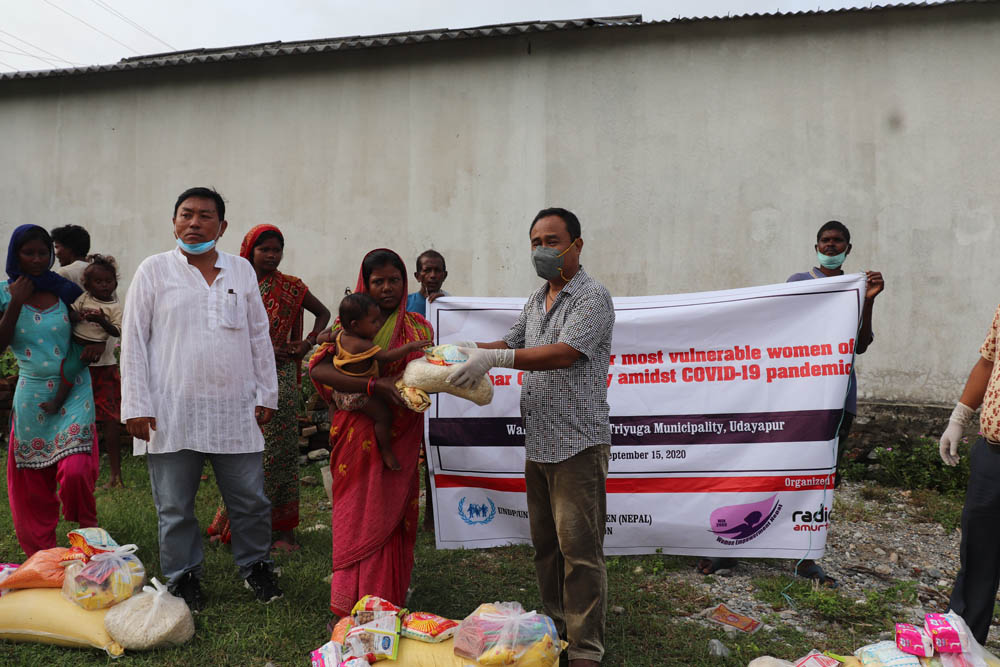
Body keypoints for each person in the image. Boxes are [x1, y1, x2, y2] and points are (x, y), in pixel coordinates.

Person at [446, 208, 614, 667]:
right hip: (539, 440)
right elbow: (513, 341)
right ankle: (556, 630)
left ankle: (585, 648)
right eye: (536, 241)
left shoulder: (591, 296)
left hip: (577, 444)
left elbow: (565, 353)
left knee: (580, 552)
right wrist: (470, 351)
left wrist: (496, 361)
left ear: (577, 244)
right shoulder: (539, 297)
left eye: (552, 240)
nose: (542, 249)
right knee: (546, 547)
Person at [695, 220, 885, 586]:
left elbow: (860, 345)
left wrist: (869, 300)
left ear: (848, 248)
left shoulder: (857, 289)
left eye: (838, 241)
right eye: (825, 241)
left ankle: (804, 556)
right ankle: (732, 546)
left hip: (835, 401)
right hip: (794, 397)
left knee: (818, 479)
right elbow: (781, 330)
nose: (831, 246)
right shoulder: (799, 283)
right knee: (765, 469)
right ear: (816, 247)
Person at [120, 187, 282, 610]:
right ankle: (183, 577)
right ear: (173, 222)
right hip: (171, 410)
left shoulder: (241, 271)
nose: (194, 223)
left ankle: (257, 567)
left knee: (250, 500)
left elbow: (258, 335)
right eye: (186, 214)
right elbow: (133, 339)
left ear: (222, 226)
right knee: (175, 507)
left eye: (205, 215)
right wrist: (136, 405)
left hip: (235, 408)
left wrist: (267, 392)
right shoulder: (154, 270)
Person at [309, 249, 433, 619]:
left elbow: (429, 372)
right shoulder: (347, 327)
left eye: (394, 280)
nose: (387, 288)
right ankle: (350, 600)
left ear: (405, 282)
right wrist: (373, 386)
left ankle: (387, 598)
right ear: (366, 283)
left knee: (392, 513)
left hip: (402, 431)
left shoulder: (418, 328)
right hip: (356, 429)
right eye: (378, 281)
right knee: (357, 511)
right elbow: (318, 370)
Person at [208, 224, 331, 553]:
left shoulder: (291, 287)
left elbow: (323, 313)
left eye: (277, 250)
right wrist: (259, 348)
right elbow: (220, 329)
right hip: (240, 376)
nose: (272, 255)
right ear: (249, 251)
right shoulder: (233, 284)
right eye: (265, 249)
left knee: (279, 455)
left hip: (280, 379)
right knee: (240, 454)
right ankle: (232, 524)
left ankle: (284, 531)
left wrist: (306, 343)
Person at [0, 224, 99, 557]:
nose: (37, 259)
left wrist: (96, 342)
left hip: (74, 388)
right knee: (33, 481)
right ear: (15, 255)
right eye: (28, 253)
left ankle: (87, 541)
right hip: (32, 394)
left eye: (44, 253)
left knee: (76, 470)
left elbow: (90, 324)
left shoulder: (65, 290)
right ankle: (42, 555)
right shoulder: (4, 294)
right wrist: (16, 302)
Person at [939, 300, 1000, 645]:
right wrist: (959, 418)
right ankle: (963, 647)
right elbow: (988, 361)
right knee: (977, 555)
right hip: (993, 454)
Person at [330, 292, 431, 470]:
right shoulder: (363, 345)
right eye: (374, 322)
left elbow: (322, 338)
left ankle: (333, 436)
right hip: (358, 395)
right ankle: (386, 451)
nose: (378, 325)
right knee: (384, 416)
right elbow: (387, 356)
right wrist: (410, 347)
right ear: (355, 325)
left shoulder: (339, 336)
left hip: (338, 393)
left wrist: (321, 336)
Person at [40, 256, 121, 417]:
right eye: (98, 281)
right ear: (88, 285)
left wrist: (101, 321)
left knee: (69, 371)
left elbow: (116, 331)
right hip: (72, 342)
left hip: (87, 349)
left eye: (108, 281)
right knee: (59, 368)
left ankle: (57, 403)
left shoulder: (114, 307)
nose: (104, 285)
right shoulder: (85, 298)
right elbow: (72, 312)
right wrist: (77, 316)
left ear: (115, 283)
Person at [406, 249, 448, 317]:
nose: (433, 275)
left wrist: (444, 303)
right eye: (427, 270)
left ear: (444, 276)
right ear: (417, 276)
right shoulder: (405, 304)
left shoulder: (452, 305)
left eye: (437, 270)